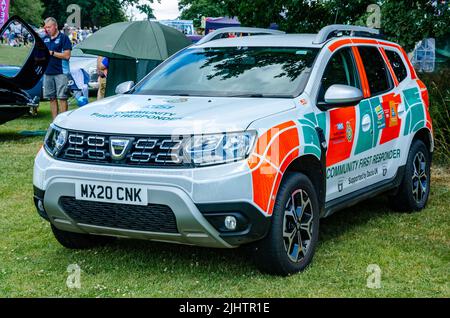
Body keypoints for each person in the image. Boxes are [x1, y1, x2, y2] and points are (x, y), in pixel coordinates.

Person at [42, 17, 72, 119]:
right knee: (51, 98)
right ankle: (55, 122)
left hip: (61, 72)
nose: (47, 29)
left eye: (49, 27)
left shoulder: (64, 38)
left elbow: (67, 56)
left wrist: (52, 53)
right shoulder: (44, 39)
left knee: (62, 98)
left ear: (55, 26)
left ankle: (63, 121)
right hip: (47, 72)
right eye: (46, 27)